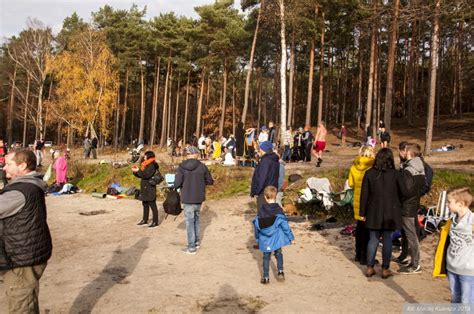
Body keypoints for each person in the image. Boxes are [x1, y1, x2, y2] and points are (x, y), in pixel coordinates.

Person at [0, 149, 52, 313]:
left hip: (21, 260)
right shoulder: (26, 187)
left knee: (21, 307)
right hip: (23, 256)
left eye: (8, 164)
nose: (4, 168)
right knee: (25, 302)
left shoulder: (21, 191)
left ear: (22, 166)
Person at [360, 148, 402, 279]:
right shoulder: (396, 174)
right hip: (390, 211)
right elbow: (401, 193)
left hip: (373, 211)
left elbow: (364, 195)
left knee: (373, 240)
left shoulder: (369, 173)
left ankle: (370, 267)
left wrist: (362, 212)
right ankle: (385, 269)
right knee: (387, 239)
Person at [174, 146, 214, 254]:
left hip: (187, 197)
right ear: (196, 154)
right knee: (196, 219)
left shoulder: (181, 167)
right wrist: (200, 182)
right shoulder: (202, 167)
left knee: (190, 222)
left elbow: (176, 183)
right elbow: (210, 181)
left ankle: (191, 247)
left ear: (188, 155)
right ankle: (196, 242)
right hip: (199, 197)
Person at [253, 186, 294, 284]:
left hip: (265, 240)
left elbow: (257, 227)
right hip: (277, 239)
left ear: (265, 198)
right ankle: (280, 272)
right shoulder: (278, 211)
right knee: (278, 254)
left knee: (266, 257)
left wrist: (258, 239)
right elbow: (285, 226)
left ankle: (266, 277)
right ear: (275, 197)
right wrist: (290, 236)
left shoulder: (261, 212)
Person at [397, 143, 426, 274]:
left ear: (409, 153)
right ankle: (410, 259)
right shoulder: (420, 167)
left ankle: (415, 264)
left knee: (411, 236)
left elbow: (406, 190)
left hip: (407, 207)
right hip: (414, 204)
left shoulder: (408, 170)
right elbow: (423, 187)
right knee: (410, 234)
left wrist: (399, 179)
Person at [445, 187, 474, 304]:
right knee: (455, 298)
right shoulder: (452, 220)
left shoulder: (472, 221)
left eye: (449, 202)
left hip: (468, 270)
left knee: (467, 301)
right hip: (452, 267)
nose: (447, 204)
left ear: (461, 204)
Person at [348, 145, 375, 265]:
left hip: (357, 199)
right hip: (369, 200)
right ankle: (365, 255)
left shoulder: (354, 166)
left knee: (359, 228)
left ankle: (358, 254)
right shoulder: (373, 166)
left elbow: (350, 183)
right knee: (367, 230)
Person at [132, 151, 160, 228]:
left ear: (149, 156)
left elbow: (146, 175)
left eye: (145, 156)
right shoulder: (145, 164)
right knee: (145, 204)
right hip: (144, 186)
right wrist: (135, 172)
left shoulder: (152, 165)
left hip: (150, 187)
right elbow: (141, 175)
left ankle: (155, 221)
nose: (144, 157)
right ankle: (145, 220)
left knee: (152, 204)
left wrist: (139, 171)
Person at [250, 141, 280, 211]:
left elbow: (262, 177)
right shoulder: (274, 160)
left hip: (264, 191)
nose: (259, 150)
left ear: (264, 149)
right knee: (270, 211)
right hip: (272, 188)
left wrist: (257, 190)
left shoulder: (265, 160)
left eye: (260, 148)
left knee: (263, 212)